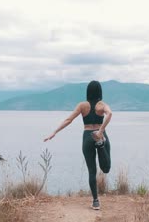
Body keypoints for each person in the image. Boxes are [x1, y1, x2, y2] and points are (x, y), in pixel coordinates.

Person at [44, 80, 112, 210]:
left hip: (87, 137)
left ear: (88, 92)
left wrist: (54, 132)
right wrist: (101, 131)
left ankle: (96, 201)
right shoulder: (102, 105)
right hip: (100, 134)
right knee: (106, 168)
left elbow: (69, 120)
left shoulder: (82, 105)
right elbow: (110, 114)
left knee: (92, 171)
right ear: (99, 91)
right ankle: (101, 144)